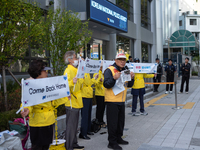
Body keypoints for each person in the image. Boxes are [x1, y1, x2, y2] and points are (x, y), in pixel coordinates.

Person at [20, 60, 67, 150]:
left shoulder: (48, 84)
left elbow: (53, 102)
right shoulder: (30, 85)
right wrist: (26, 109)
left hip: (49, 121)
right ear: (38, 72)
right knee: (37, 147)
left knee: (46, 146)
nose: (46, 72)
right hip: (38, 123)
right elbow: (27, 102)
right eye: (44, 70)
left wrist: (65, 97)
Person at [104, 53, 135, 150]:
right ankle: (112, 142)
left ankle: (118, 138)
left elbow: (129, 85)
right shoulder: (109, 70)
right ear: (115, 60)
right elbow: (106, 84)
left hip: (121, 100)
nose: (122, 61)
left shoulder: (126, 70)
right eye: (120, 59)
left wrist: (132, 78)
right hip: (112, 100)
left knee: (120, 122)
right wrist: (114, 78)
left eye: (124, 60)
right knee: (112, 123)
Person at [63, 51, 84, 150]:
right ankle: (69, 146)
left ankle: (74, 143)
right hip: (72, 101)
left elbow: (80, 83)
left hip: (76, 101)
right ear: (70, 60)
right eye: (75, 58)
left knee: (75, 125)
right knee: (71, 126)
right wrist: (72, 82)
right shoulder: (68, 70)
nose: (77, 60)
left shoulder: (75, 69)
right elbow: (65, 84)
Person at [79, 72, 99, 140]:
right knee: (85, 115)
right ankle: (83, 133)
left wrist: (94, 78)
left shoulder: (87, 73)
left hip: (89, 95)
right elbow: (84, 83)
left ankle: (88, 130)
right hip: (84, 96)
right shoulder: (81, 72)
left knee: (88, 114)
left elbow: (89, 83)